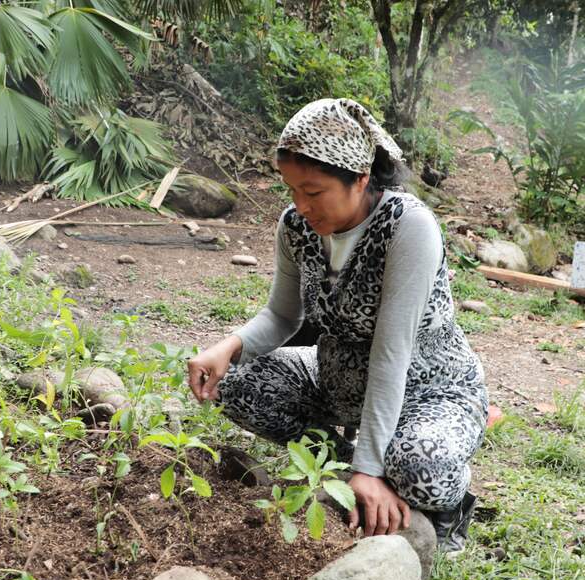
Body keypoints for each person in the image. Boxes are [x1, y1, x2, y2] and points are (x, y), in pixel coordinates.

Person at [187, 98, 488, 553]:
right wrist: (228, 347)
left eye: (313, 192)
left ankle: (447, 501)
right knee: (237, 383)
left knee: (421, 469)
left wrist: (372, 467)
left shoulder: (408, 227)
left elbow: (392, 352)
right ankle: (345, 470)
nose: (300, 205)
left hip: (428, 390)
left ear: (360, 179)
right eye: (291, 190)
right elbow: (282, 316)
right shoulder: (296, 227)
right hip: (337, 381)